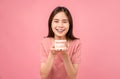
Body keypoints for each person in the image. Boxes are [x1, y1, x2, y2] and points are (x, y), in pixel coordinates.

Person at [40, 6, 81, 79]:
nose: (60, 25)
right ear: (51, 23)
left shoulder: (76, 43)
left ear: (69, 24)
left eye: (64, 22)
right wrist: (52, 55)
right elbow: (43, 76)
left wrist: (65, 56)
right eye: (56, 21)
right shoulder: (45, 42)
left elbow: (73, 76)